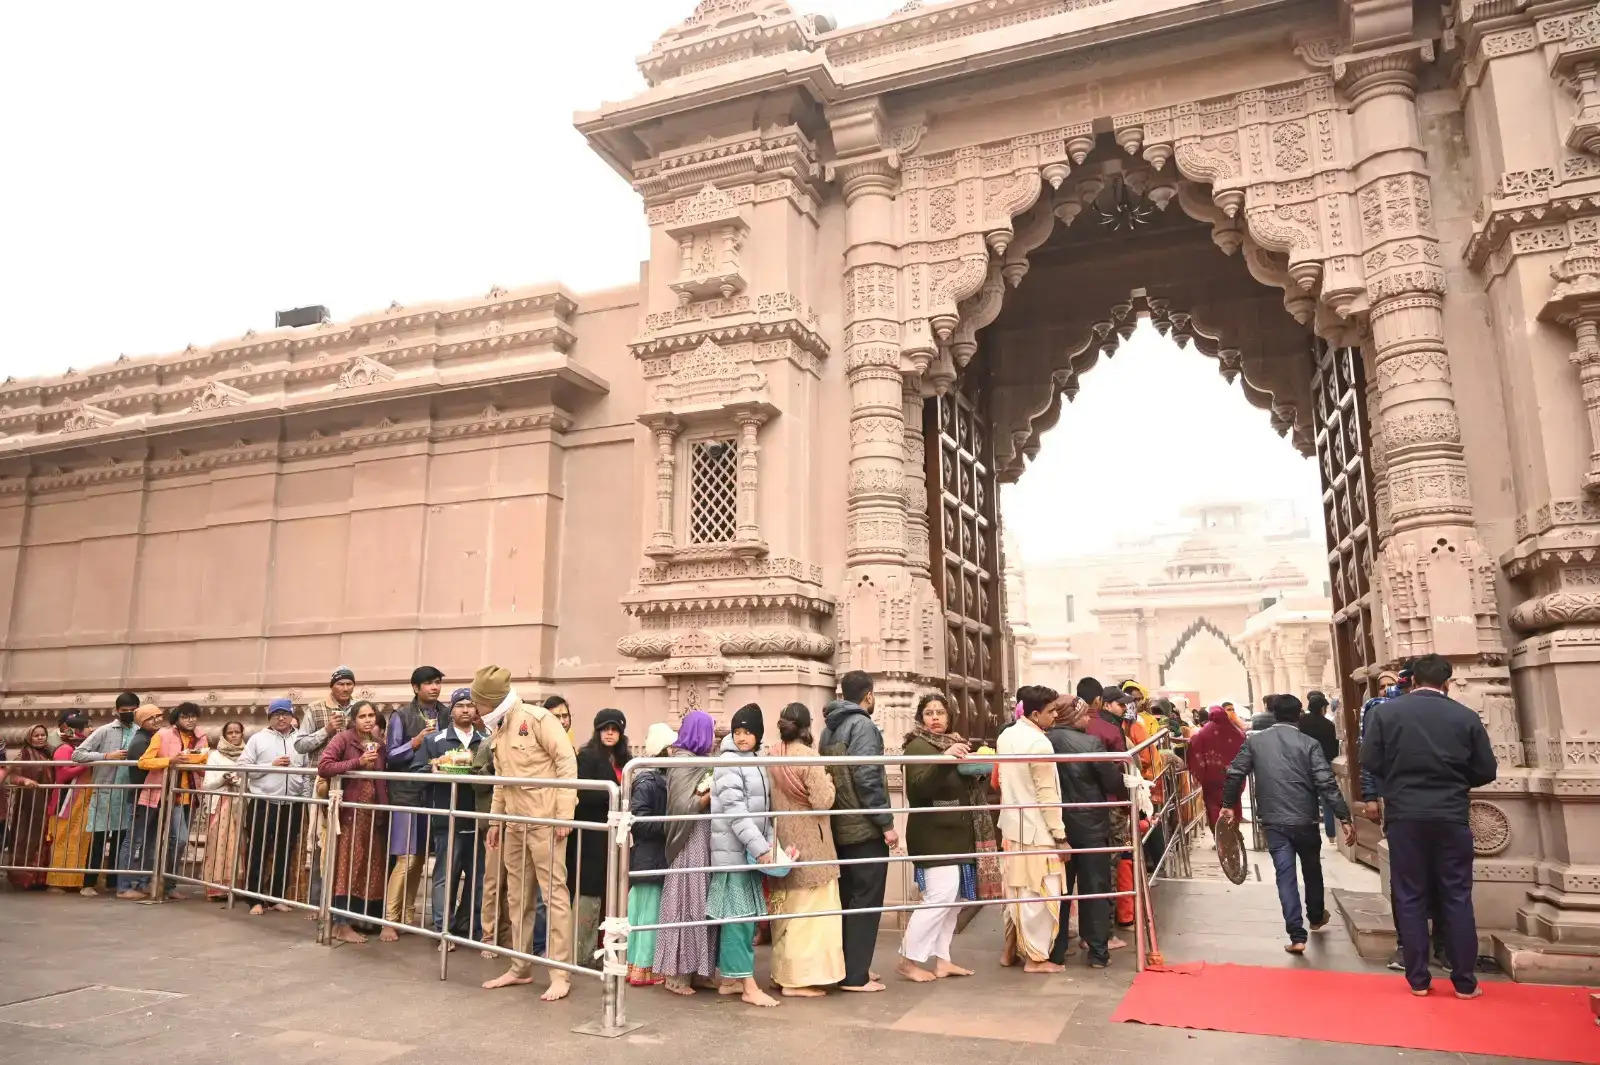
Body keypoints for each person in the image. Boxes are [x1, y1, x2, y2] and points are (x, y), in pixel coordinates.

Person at [1361, 653, 1497, 999]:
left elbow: (1371, 761)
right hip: (1451, 815)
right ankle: (1465, 980)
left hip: (1406, 816)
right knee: (1456, 894)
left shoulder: (1385, 713)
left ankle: (1419, 979)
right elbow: (1486, 770)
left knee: (1409, 894)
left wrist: (1396, 780)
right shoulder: (1465, 716)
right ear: (1446, 682)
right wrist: (1453, 779)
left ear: (1412, 680)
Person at [1221, 693, 1353, 954]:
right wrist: (1344, 816)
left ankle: (1296, 935)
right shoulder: (1309, 744)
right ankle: (1315, 916)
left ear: (1273, 713)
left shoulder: (1256, 742)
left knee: (1285, 875)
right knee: (1312, 867)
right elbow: (1325, 782)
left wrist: (1227, 804)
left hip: (1274, 819)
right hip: (1305, 818)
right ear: (1298, 714)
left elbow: (1235, 772)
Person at [477, 665, 578, 1001]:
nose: (475, 709)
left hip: (546, 822)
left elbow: (566, 762)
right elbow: (502, 781)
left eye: (478, 703)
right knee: (517, 898)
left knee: (554, 897)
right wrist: (495, 821)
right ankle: (520, 967)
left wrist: (564, 814)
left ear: (491, 701)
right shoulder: (499, 728)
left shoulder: (536, 719)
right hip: (516, 826)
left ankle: (560, 973)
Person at [899, 693, 991, 982]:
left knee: (953, 900)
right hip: (933, 833)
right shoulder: (917, 746)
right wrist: (944, 760)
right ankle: (909, 959)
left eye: (940, 712)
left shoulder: (954, 742)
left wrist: (976, 769)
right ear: (920, 718)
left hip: (958, 832)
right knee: (939, 897)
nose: (935, 718)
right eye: (929, 713)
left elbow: (960, 788)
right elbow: (917, 790)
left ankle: (943, 960)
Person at [820, 670, 897, 993]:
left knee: (848, 899)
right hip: (863, 827)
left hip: (838, 824)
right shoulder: (863, 725)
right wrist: (886, 823)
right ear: (869, 695)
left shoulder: (828, 728)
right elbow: (867, 777)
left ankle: (849, 967)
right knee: (867, 899)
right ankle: (856, 976)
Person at [767, 702, 846, 996]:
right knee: (812, 916)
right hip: (813, 845)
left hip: (784, 841)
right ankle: (798, 980)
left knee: (786, 911)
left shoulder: (772, 756)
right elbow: (823, 801)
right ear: (806, 727)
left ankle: (781, 973)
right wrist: (830, 781)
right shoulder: (809, 758)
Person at [1046, 695, 1127, 967]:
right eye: (1083, 715)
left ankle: (1055, 952)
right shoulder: (1090, 743)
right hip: (1090, 824)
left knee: (1060, 890)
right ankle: (1098, 953)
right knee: (1095, 889)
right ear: (1072, 715)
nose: (1087, 720)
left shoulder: (1044, 741)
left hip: (1056, 827)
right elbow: (1112, 781)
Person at [709, 703, 781, 1008]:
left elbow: (762, 811)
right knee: (739, 922)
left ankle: (730, 980)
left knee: (743, 921)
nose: (741, 737)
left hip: (744, 855)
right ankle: (748, 986)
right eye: (737, 731)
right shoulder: (729, 762)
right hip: (733, 856)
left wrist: (765, 845)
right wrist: (761, 848)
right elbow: (736, 813)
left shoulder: (755, 759)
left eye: (748, 731)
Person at [996, 684, 1068, 973]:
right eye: (1051, 711)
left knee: (1016, 890)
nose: (1055, 717)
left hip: (1013, 825)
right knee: (1039, 894)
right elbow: (1046, 793)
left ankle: (1009, 951)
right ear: (1036, 713)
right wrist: (1060, 836)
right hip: (1037, 830)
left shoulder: (1007, 735)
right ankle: (1036, 959)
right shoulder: (1039, 744)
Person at [654, 709, 718, 996]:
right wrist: (710, 794)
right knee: (686, 902)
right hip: (687, 841)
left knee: (702, 902)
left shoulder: (698, 762)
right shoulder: (682, 762)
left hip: (703, 840)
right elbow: (683, 806)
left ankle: (699, 970)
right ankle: (677, 974)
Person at [318, 699, 391, 942]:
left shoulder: (380, 744)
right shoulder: (343, 739)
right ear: (353, 719)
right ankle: (341, 923)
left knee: (370, 868)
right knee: (347, 867)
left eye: (372, 715)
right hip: (350, 815)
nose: (368, 720)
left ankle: (362, 918)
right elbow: (324, 766)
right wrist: (356, 763)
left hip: (372, 815)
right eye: (363, 716)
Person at [420, 687, 488, 945]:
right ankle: (442, 930)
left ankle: (468, 926)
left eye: (471, 705)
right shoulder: (435, 741)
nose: (466, 710)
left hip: (477, 817)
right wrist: (432, 767)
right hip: (446, 818)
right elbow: (417, 773)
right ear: (452, 710)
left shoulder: (485, 740)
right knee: (445, 876)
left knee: (478, 877)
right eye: (460, 705)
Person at [385, 665, 445, 930]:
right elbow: (391, 755)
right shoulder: (401, 715)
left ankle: (408, 917)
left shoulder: (446, 713)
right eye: (429, 683)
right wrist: (415, 742)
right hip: (405, 793)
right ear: (416, 687)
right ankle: (389, 920)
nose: (435, 687)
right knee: (405, 859)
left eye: (438, 683)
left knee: (420, 859)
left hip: (432, 794)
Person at [571, 708, 630, 969]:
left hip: (616, 839)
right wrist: (614, 796)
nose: (609, 732)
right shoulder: (586, 757)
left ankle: (606, 950)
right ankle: (582, 954)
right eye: (605, 728)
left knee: (612, 895)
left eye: (614, 728)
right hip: (592, 838)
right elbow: (581, 794)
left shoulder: (625, 759)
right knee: (589, 894)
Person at [238, 698, 308, 914]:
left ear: (292, 716)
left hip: (292, 803)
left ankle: (276, 896)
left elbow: (306, 771)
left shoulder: (301, 740)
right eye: (276, 714)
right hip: (263, 802)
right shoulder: (258, 739)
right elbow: (243, 768)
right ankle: (254, 898)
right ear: (270, 716)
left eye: (285, 713)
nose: (281, 718)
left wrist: (306, 799)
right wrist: (272, 765)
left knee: (285, 850)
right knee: (258, 849)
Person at [295, 666, 356, 906]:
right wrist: (326, 730)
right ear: (332, 686)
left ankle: (343, 901)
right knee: (322, 840)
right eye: (340, 684)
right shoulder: (315, 708)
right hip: (322, 785)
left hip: (351, 782)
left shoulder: (359, 708)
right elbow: (300, 745)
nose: (345, 688)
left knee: (347, 839)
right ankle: (317, 901)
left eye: (349, 684)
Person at [136, 702, 211, 899]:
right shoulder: (162, 735)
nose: (191, 720)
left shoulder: (200, 737)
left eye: (193, 716)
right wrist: (170, 761)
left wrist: (199, 761)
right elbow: (143, 761)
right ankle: (160, 882)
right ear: (177, 719)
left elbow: (204, 765)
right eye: (186, 716)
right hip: (170, 794)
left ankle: (168, 884)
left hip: (190, 795)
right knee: (180, 839)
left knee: (176, 841)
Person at [74, 692, 141, 896]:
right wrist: (105, 756)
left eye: (132, 711)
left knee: (121, 840)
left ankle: (113, 881)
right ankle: (88, 883)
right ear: (117, 711)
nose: (129, 714)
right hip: (105, 791)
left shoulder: (140, 731)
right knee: (99, 839)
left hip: (128, 793)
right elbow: (77, 754)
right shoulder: (104, 730)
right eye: (125, 711)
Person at [625, 722, 676, 987]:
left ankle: (634, 965)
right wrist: (670, 824)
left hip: (648, 855)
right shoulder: (649, 780)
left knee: (641, 912)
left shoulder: (650, 777)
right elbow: (640, 820)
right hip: (651, 855)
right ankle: (643, 968)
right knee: (648, 913)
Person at [114, 706, 165, 899]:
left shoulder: (151, 738)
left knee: (149, 841)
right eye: (151, 718)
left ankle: (142, 882)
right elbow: (144, 768)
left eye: (158, 716)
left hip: (152, 797)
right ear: (142, 721)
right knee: (133, 840)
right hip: (140, 797)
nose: (157, 720)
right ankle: (124, 886)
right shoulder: (140, 741)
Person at [200, 720, 248, 901]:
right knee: (218, 844)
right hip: (220, 804)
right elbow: (207, 784)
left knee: (238, 845)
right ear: (224, 735)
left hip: (240, 804)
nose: (234, 736)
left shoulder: (247, 754)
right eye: (230, 733)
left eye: (237, 732)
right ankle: (216, 888)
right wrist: (224, 778)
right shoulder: (215, 755)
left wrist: (238, 781)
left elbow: (251, 781)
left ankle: (236, 887)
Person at [45, 712, 93, 893]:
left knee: (79, 839)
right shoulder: (65, 748)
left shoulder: (83, 748)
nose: (91, 729)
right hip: (66, 801)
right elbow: (63, 773)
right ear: (77, 730)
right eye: (88, 726)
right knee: (63, 839)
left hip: (81, 801)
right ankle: (57, 881)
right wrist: (88, 763)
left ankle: (73, 880)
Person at [7, 725, 55, 889]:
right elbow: (11, 775)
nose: (40, 738)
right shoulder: (24, 754)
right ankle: (23, 879)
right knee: (26, 838)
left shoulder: (50, 752)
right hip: (29, 803)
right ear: (29, 738)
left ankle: (40, 878)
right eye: (36, 735)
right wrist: (25, 781)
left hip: (47, 802)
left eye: (43, 735)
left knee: (44, 838)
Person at [1187, 707, 1246, 830]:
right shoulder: (1236, 732)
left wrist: (1199, 773)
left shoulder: (1203, 732)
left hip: (1211, 777)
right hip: (1233, 777)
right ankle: (1233, 834)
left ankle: (1219, 838)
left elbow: (1194, 747)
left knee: (1212, 805)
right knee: (1234, 804)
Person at [1298, 691, 1342, 842]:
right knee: (1327, 799)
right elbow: (1333, 748)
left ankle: (1309, 832)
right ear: (1323, 708)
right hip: (1323, 766)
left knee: (1307, 800)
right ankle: (1331, 834)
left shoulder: (1301, 722)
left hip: (1303, 765)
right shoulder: (1329, 725)